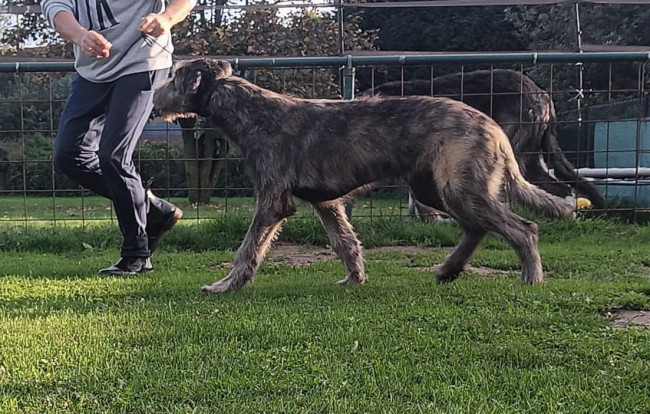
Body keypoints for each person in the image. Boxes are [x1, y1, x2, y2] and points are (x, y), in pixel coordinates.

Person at [42, 0, 196, 275]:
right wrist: (80, 35)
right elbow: (56, 8)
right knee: (69, 155)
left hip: (143, 62)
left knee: (113, 156)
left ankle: (136, 254)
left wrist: (167, 17)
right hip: (92, 71)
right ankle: (153, 209)